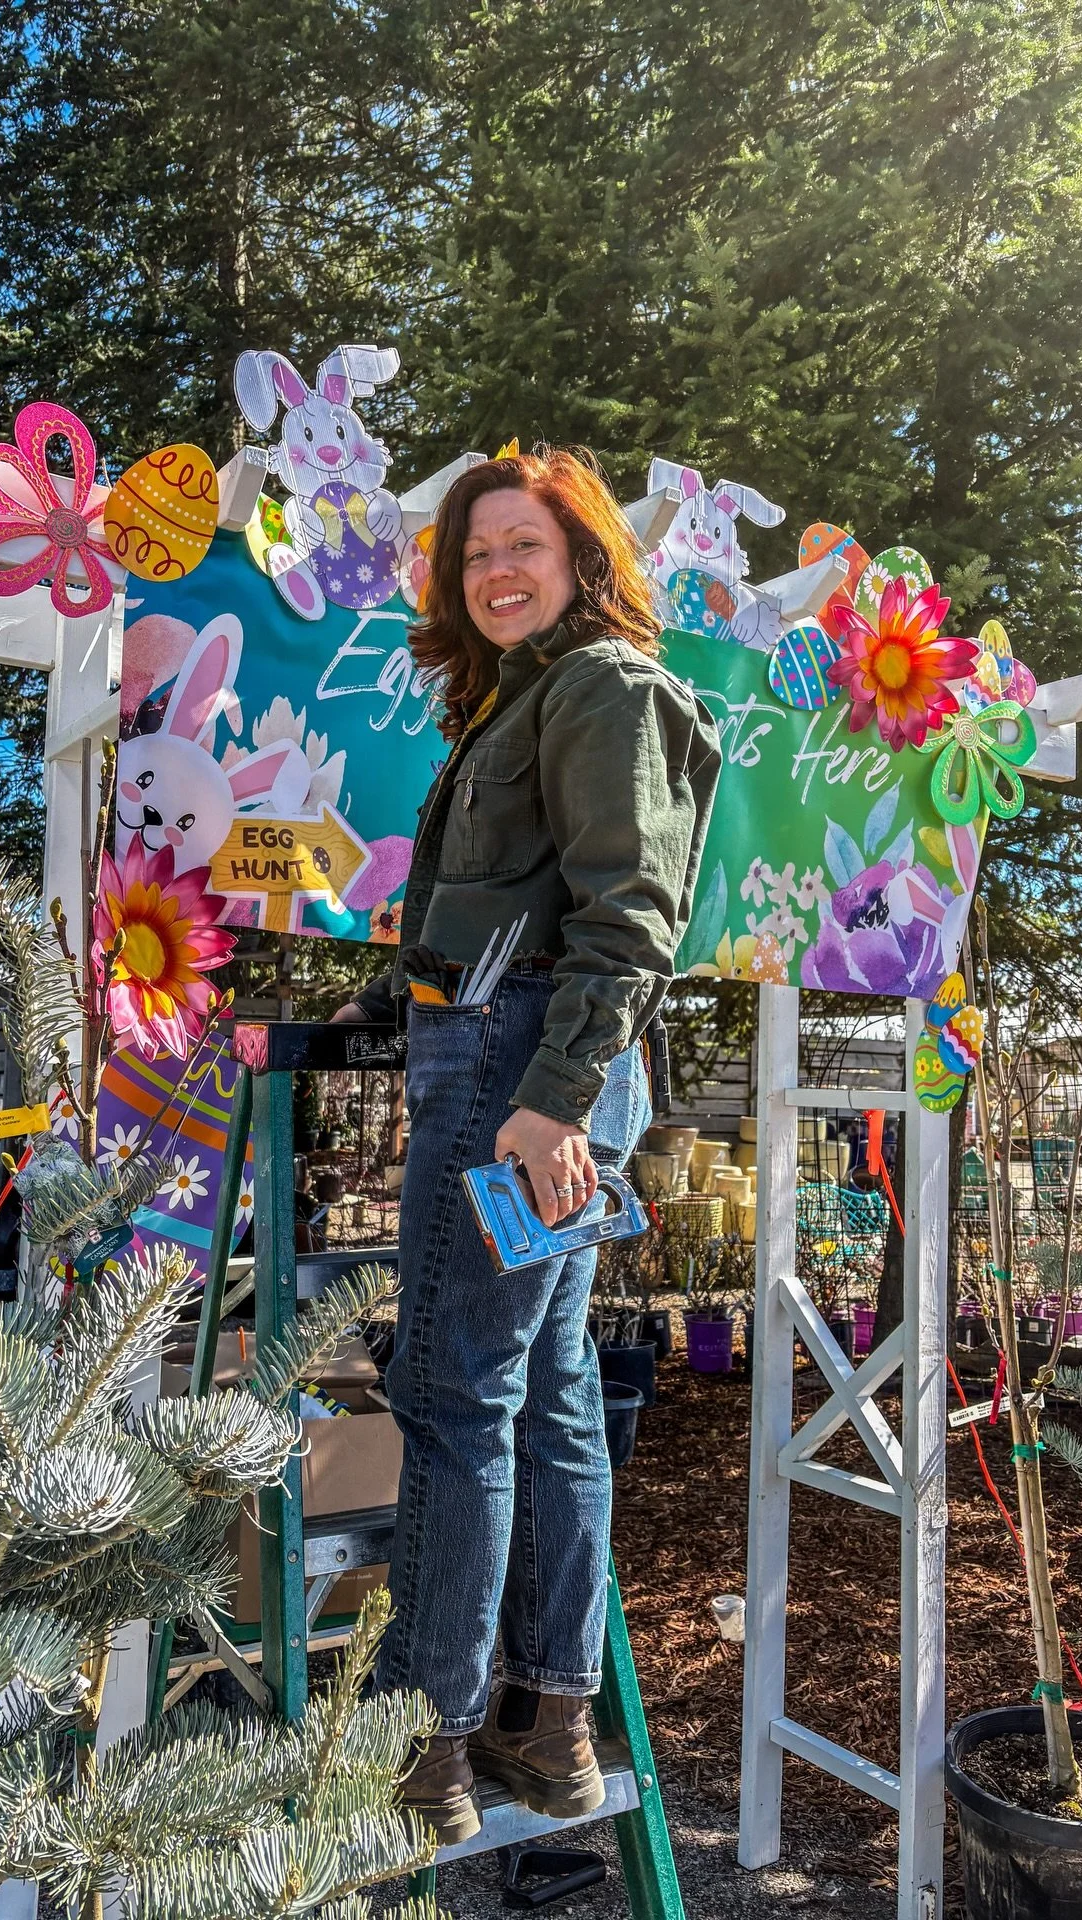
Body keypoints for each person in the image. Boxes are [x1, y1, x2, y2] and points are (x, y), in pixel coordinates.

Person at [335, 447, 722, 1843]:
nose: (496, 570)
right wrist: (385, 996)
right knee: (545, 1392)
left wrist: (551, 1098)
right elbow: (503, 903)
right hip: (524, 1055)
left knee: (452, 1397)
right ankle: (548, 1730)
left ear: (581, 562)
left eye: (525, 547)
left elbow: (628, 916)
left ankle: (421, 1744)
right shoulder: (520, 700)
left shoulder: (599, 687)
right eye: (476, 552)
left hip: (526, 1070)